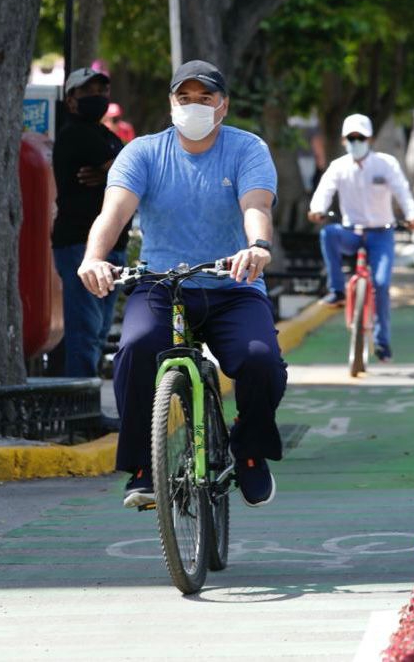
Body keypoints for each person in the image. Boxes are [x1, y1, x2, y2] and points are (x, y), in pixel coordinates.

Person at [77, 59, 286, 510]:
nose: (194, 106)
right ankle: (141, 466)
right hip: (160, 284)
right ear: (171, 103)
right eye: (184, 97)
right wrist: (94, 258)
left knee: (261, 361)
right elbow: (112, 213)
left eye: (205, 98)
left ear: (223, 106)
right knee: (133, 351)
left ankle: (249, 451)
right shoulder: (143, 153)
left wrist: (258, 246)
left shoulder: (247, 149)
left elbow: (256, 204)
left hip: (234, 282)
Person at [307, 114, 414, 363]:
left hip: (381, 233)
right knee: (328, 233)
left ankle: (382, 342)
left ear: (370, 139)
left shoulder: (386, 164)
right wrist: (317, 209)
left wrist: (412, 216)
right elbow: (324, 190)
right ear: (344, 139)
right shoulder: (339, 166)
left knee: (380, 284)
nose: (356, 141)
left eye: (360, 137)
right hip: (351, 231)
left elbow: (402, 190)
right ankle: (337, 289)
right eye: (351, 138)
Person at [52, 66, 128, 377]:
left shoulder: (106, 136)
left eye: (102, 92)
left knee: (98, 333)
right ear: (71, 100)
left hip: (116, 247)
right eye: (88, 93)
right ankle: (80, 411)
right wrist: (116, 174)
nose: (97, 98)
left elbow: (129, 172)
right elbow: (129, 173)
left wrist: (111, 174)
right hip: (81, 247)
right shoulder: (75, 134)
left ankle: (88, 405)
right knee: (85, 332)